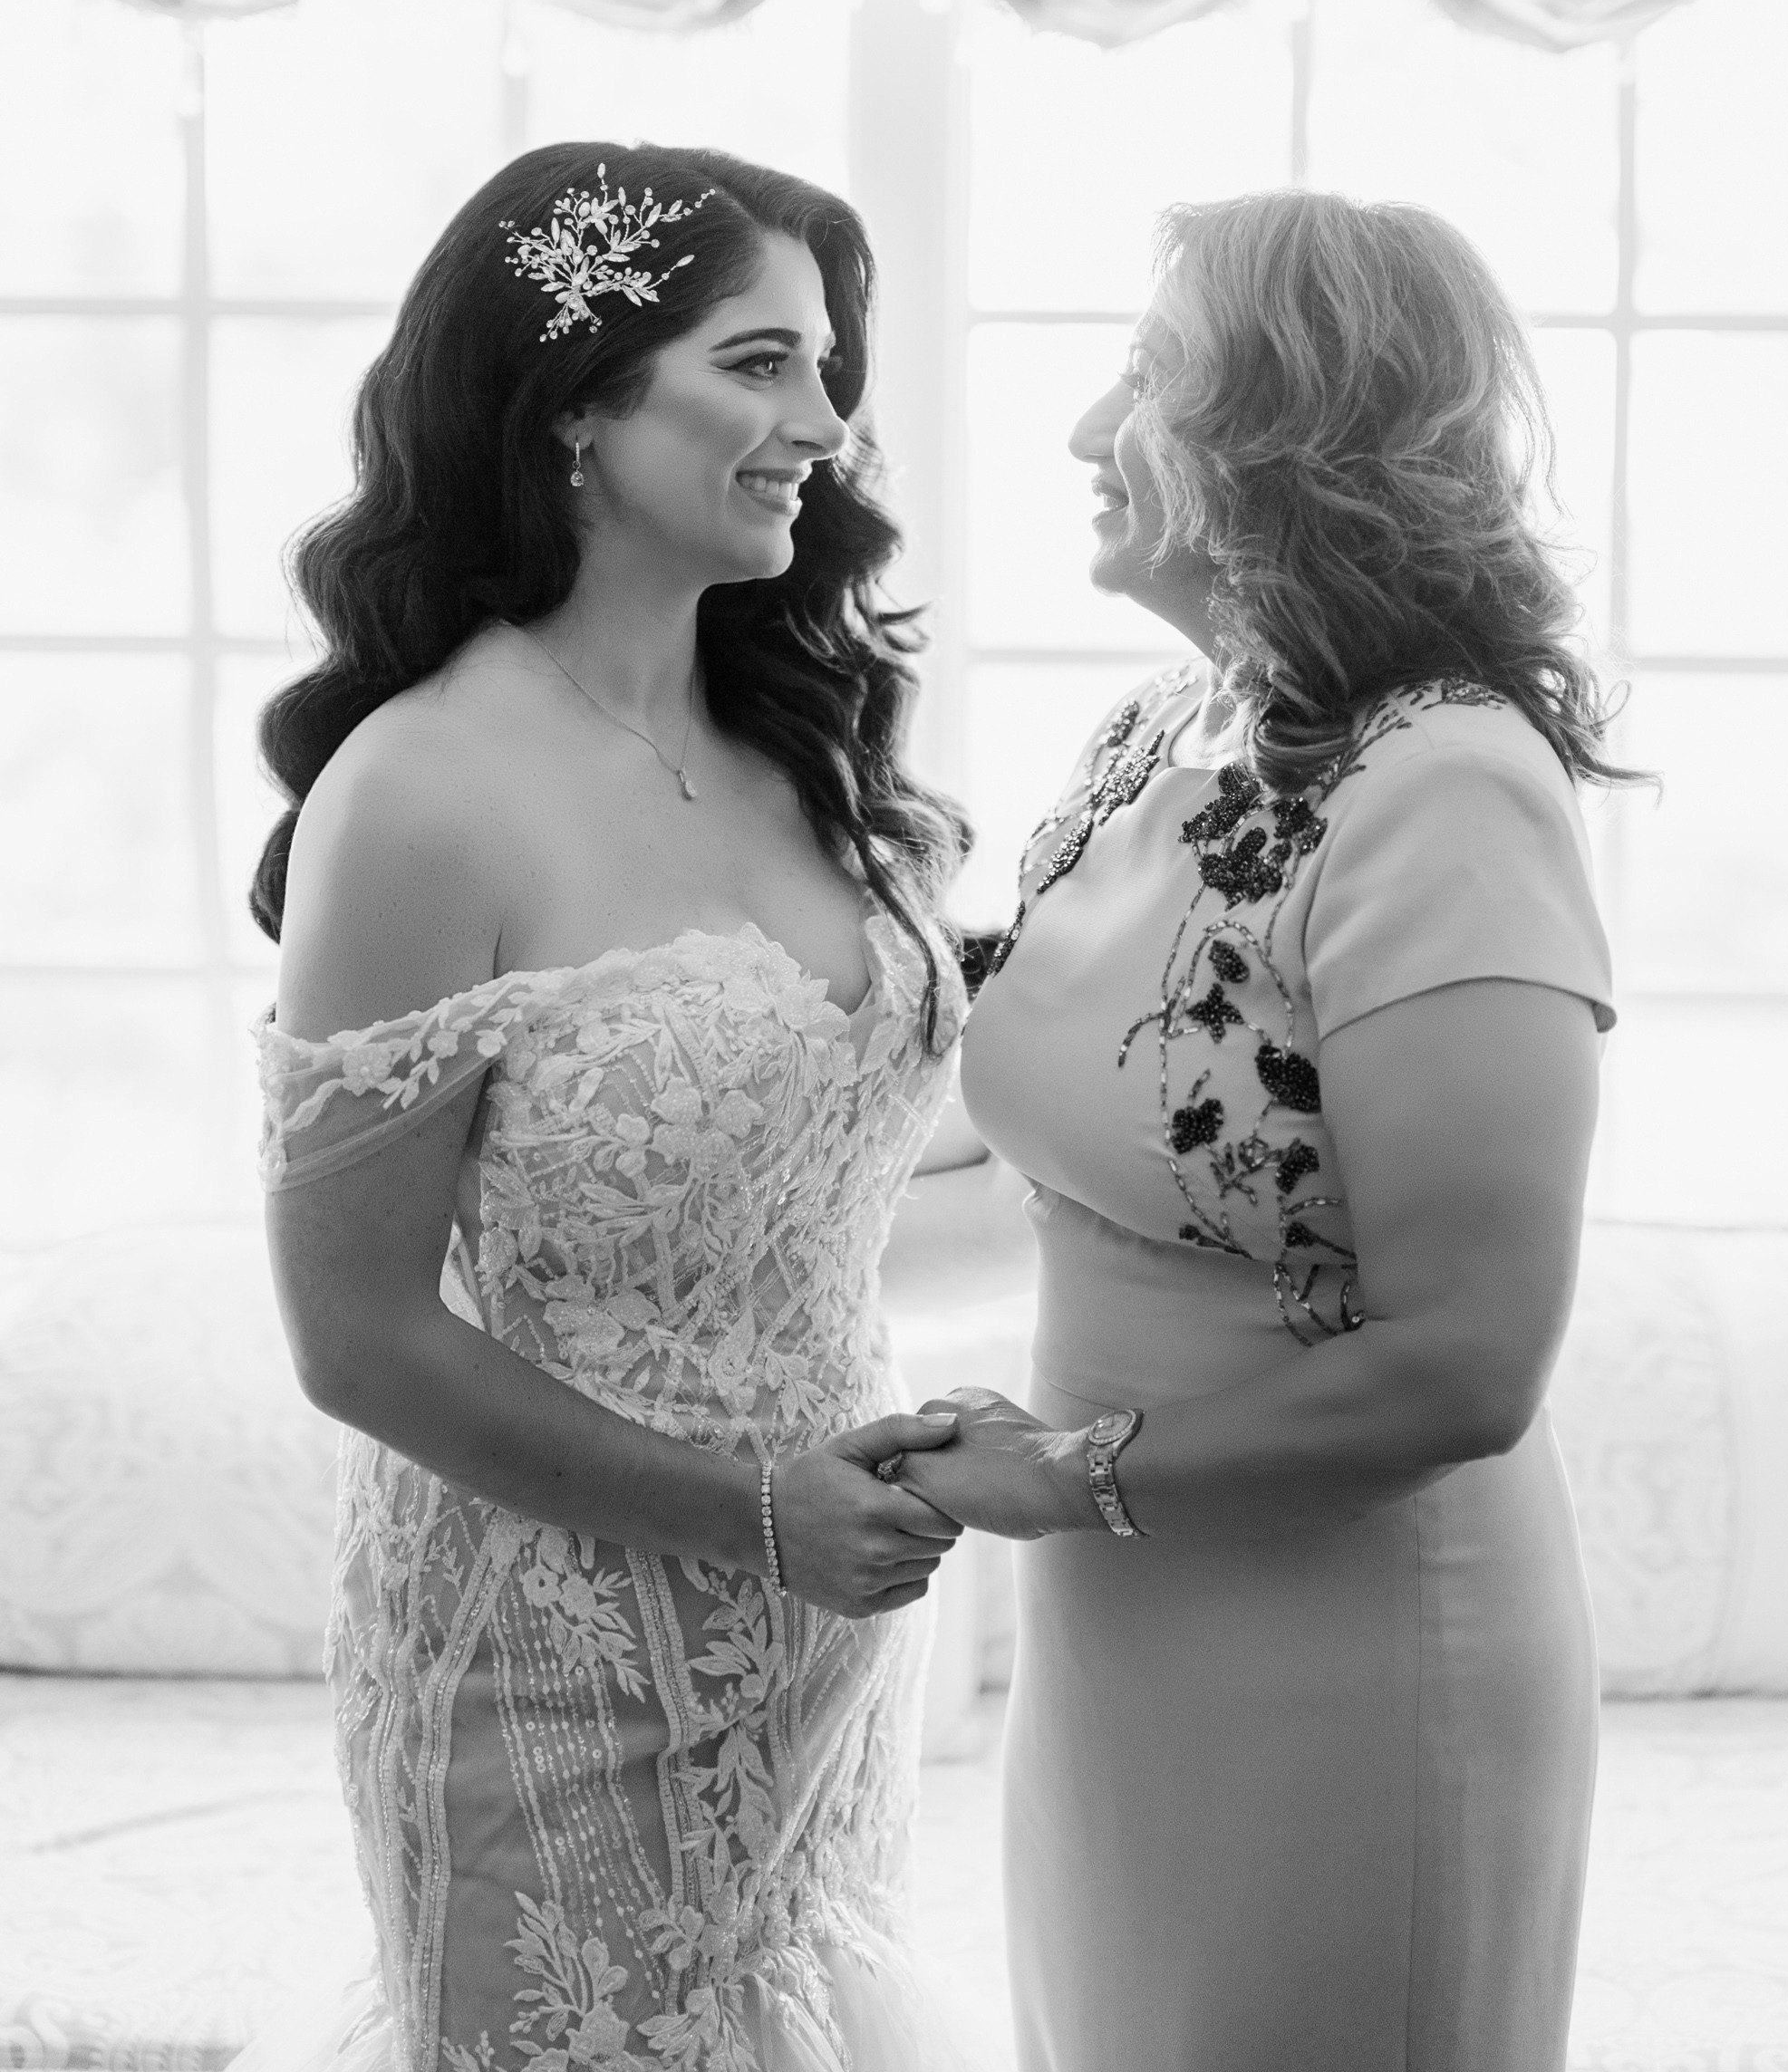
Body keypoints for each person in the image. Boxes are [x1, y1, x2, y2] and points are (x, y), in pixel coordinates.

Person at [248, 142, 972, 2072]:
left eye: (826, 368)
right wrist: (759, 1513)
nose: (823, 424)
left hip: (829, 1628)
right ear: (575, 405)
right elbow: (356, 1334)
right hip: (553, 1643)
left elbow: (826, 1175)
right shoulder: (421, 792)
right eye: (758, 364)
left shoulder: (800, 750)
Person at [903, 190, 1629, 2072]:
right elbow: (1065, 1145)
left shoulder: (1444, 789)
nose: (1087, 429)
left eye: (1146, 377)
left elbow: (1464, 1364)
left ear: (1288, 431)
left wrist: (1063, 1473)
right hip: (1120, 1625)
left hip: (1345, 1644)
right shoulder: (1159, 730)